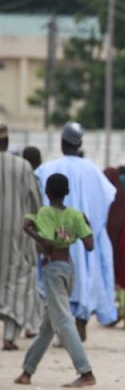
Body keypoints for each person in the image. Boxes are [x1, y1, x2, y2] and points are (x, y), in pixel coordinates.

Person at [34, 123, 118, 339]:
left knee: (56, 287)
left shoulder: (48, 169)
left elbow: (37, 201)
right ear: (80, 144)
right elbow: (107, 198)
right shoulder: (91, 169)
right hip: (84, 239)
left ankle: (61, 330)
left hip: (54, 242)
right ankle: (79, 323)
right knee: (85, 280)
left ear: (62, 142)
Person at [15, 173, 96, 387]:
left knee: (63, 321)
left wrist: (30, 231)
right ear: (67, 192)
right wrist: (85, 223)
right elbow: (89, 245)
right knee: (48, 326)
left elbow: (48, 245)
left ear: (47, 192)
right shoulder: (75, 215)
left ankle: (85, 372)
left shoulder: (45, 213)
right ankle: (27, 371)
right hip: (69, 269)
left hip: (53, 269)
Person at [0, 123, 43, 349]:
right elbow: (36, 204)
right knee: (19, 281)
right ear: (7, 142)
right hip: (16, 234)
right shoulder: (23, 166)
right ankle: (9, 335)